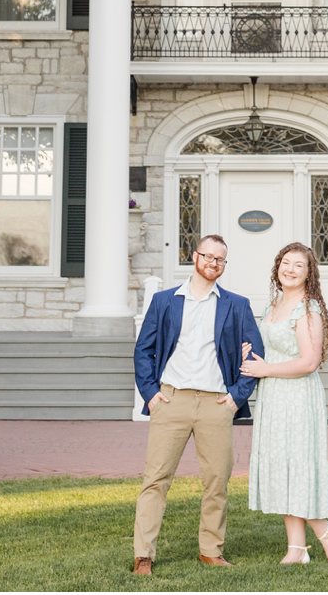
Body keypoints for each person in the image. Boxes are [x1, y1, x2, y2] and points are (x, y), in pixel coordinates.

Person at [130, 233, 264, 576]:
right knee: (156, 478)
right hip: (170, 400)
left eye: (220, 259)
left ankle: (211, 550)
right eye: (208, 256)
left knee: (217, 480)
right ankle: (143, 554)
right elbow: (143, 350)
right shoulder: (164, 301)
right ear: (194, 257)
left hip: (216, 404)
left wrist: (237, 396)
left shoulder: (236, 304)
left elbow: (256, 354)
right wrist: (150, 394)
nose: (213, 263)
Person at [239, 241, 328, 567]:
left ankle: (327, 531)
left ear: (309, 273)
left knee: (298, 468)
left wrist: (267, 369)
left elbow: (309, 362)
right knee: (281, 468)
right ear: (278, 267)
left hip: (298, 396)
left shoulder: (307, 308)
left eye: (298, 265)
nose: (290, 269)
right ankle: (296, 549)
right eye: (285, 263)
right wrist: (253, 356)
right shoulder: (273, 304)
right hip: (274, 394)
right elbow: (272, 349)